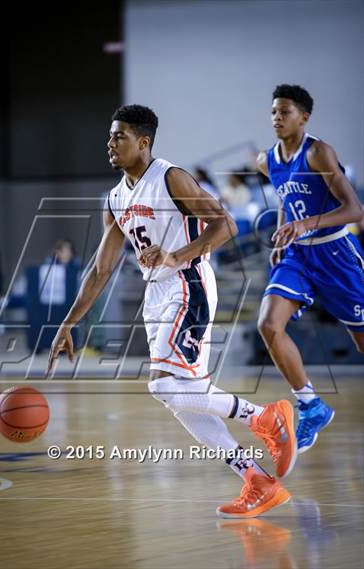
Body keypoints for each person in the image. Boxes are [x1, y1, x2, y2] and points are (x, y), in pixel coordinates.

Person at [47, 104, 297, 518]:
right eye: (110, 136)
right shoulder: (114, 199)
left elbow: (227, 225)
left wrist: (176, 255)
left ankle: (266, 417)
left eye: (119, 136)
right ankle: (256, 479)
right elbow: (100, 269)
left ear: (143, 142)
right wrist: (68, 324)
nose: (110, 144)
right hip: (156, 294)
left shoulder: (171, 177)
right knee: (182, 398)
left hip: (189, 284)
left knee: (162, 386)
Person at [256, 84, 364, 454]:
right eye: (273, 112)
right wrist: (287, 231)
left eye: (285, 112)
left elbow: (354, 211)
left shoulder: (318, 152)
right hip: (298, 256)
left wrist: (305, 224)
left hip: (336, 254)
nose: (277, 118)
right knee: (269, 325)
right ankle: (310, 405)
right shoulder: (267, 160)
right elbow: (287, 199)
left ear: (304, 117)